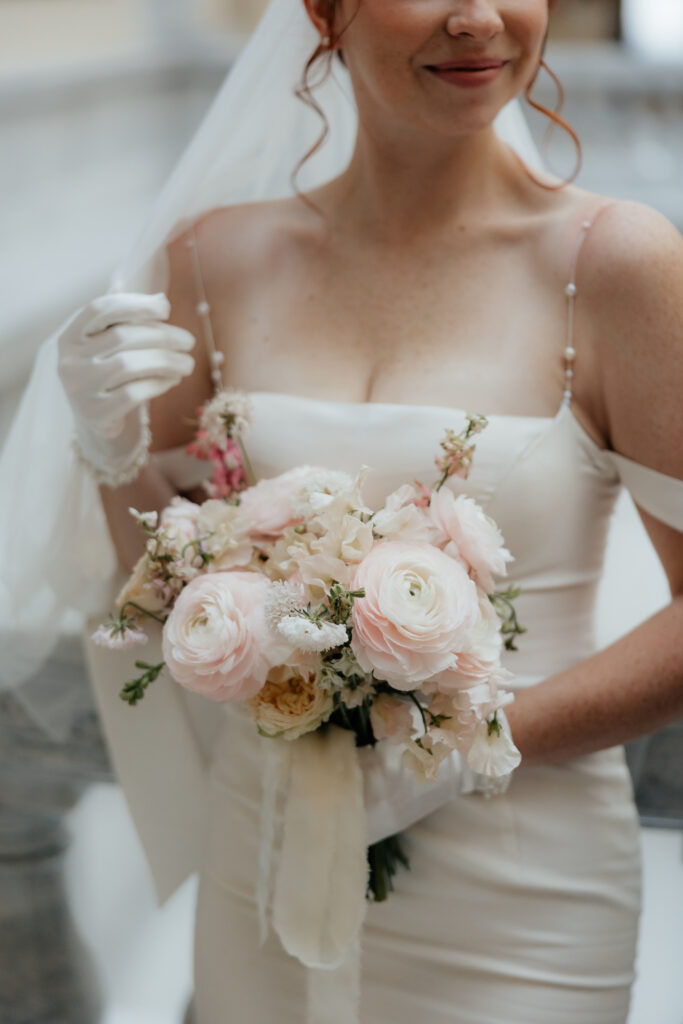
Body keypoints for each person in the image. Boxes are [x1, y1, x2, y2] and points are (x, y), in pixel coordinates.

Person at [2, 0, 682, 1020]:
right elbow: (164, 598)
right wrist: (112, 453)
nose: (477, 18)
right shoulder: (213, 261)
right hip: (261, 858)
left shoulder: (614, 263)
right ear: (321, 10)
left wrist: (472, 748)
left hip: (520, 896)